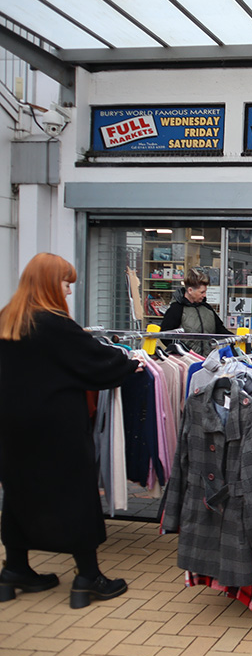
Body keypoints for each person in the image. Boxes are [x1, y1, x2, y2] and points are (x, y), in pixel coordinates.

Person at [0, 253, 144, 608]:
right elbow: (93, 361)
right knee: (74, 494)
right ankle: (88, 577)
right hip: (56, 427)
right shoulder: (53, 324)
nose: (67, 289)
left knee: (20, 494)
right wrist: (129, 363)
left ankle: (15, 569)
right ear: (50, 282)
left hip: (12, 427)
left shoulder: (7, 320)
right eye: (65, 282)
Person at [160, 268, 229, 355]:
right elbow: (165, 335)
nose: (204, 295)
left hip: (207, 361)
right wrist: (183, 351)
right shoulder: (176, 309)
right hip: (186, 361)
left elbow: (220, 330)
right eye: (202, 292)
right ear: (190, 291)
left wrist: (236, 338)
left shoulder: (207, 309)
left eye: (205, 292)